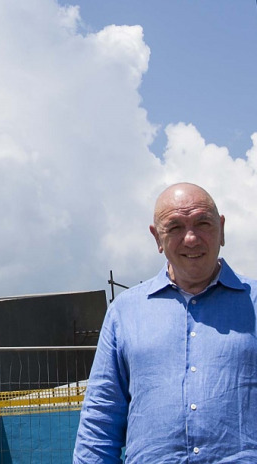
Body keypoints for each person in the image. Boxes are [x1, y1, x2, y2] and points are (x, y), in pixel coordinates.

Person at [73, 182, 257, 463]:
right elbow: (101, 419)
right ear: (157, 238)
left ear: (221, 229)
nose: (191, 238)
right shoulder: (124, 313)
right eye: (175, 228)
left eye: (203, 223)